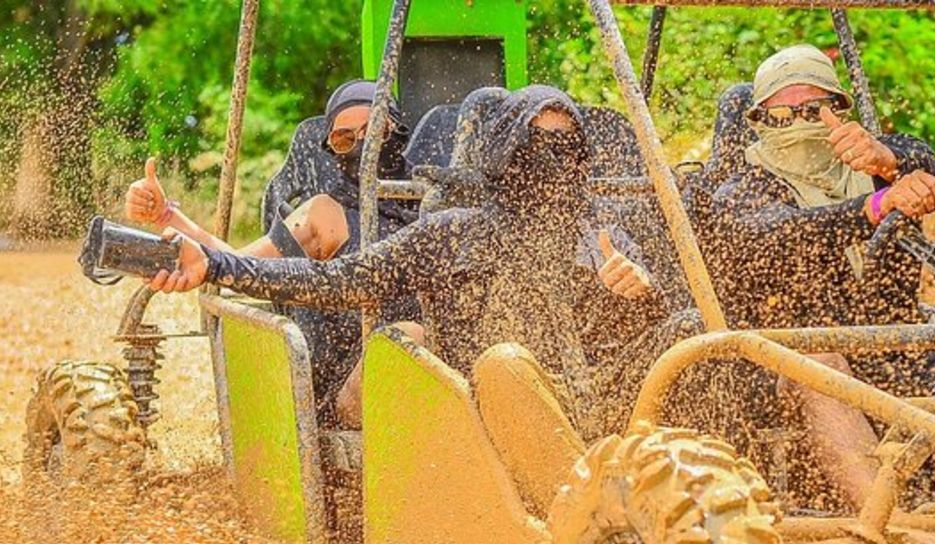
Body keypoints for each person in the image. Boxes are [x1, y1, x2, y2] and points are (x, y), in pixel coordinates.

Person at [146, 85, 696, 437]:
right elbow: (336, 281)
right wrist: (216, 265)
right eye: (535, 140)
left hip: (595, 407)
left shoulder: (602, 234)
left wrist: (641, 295)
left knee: (694, 335)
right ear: (506, 151)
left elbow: (638, 342)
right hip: (487, 415)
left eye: (565, 142)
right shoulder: (451, 233)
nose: (550, 155)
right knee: (498, 364)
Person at [694, 44, 935, 511]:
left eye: (815, 110)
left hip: (894, 350)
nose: (801, 124)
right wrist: (874, 208)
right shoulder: (741, 190)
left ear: (841, 110)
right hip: (784, 366)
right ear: (759, 120)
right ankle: (887, 520)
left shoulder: (878, 168)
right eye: (785, 113)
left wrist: (889, 163)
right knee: (822, 364)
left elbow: (926, 162)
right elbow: (777, 235)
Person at [124, 80, 422, 426]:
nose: (362, 149)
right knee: (407, 337)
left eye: (373, 133)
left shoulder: (432, 204)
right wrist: (167, 216)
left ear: (397, 131)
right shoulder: (325, 214)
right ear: (330, 149)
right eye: (344, 140)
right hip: (352, 392)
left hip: (437, 383)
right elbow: (244, 267)